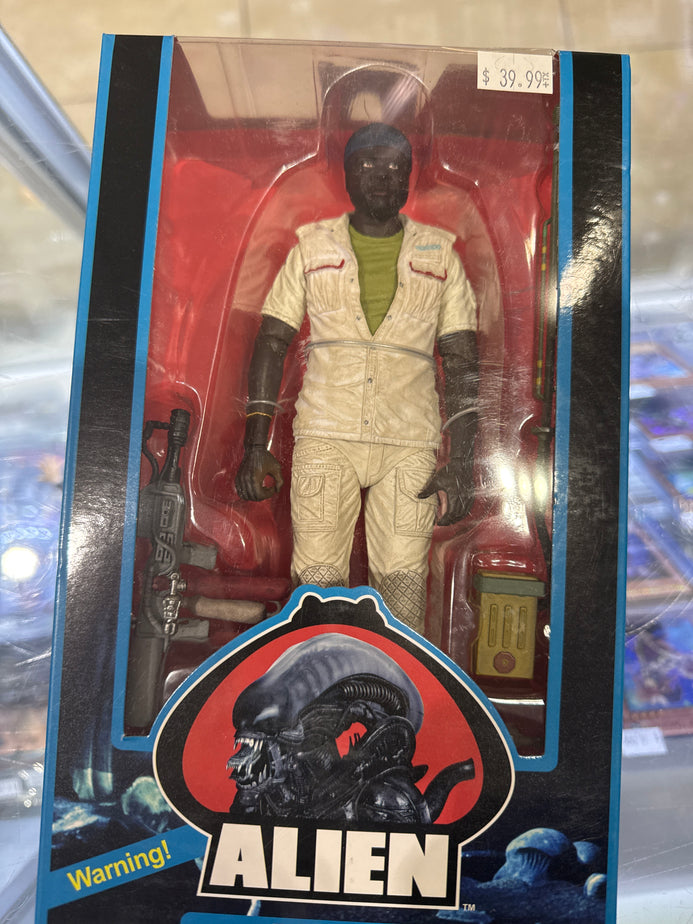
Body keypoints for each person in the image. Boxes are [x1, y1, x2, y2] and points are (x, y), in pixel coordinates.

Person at [235, 122, 478, 633]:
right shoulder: (311, 247)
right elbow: (272, 341)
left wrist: (463, 461)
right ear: (346, 174)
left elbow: (462, 362)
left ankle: (398, 681)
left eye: (395, 167)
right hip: (327, 434)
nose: (382, 176)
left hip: (410, 442)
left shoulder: (440, 255)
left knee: (404, 595)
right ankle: (317, 672)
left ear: (409, 177)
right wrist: (256, 444)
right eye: (368, 164)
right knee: (315, 589)